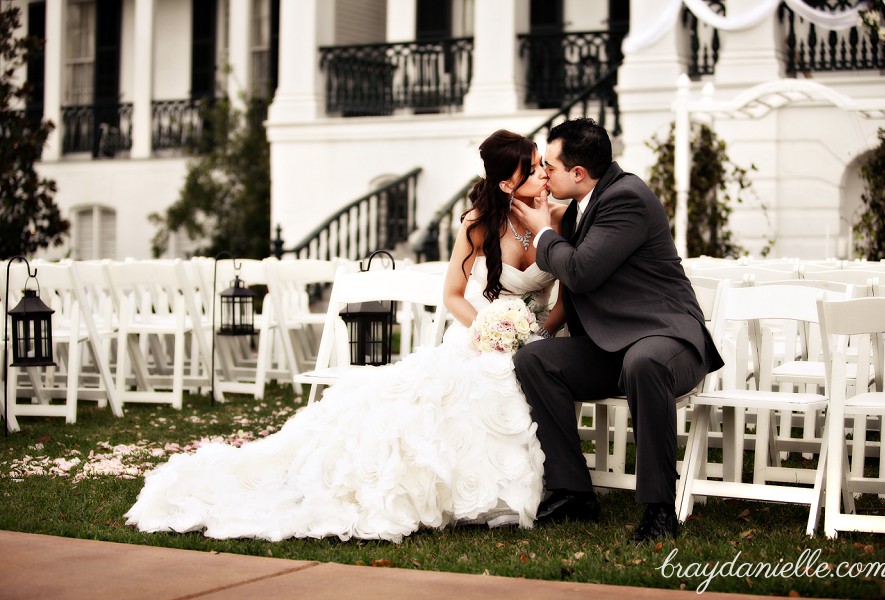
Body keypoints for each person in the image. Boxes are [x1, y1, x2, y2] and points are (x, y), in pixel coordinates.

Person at [124, 129, 567, 543]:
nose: (543, 173)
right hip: (483, 335)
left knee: (504, 383)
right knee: (457, 392)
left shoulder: (559, 218)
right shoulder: (479, 223)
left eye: (543, 166)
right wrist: (489, 330)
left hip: (536, 339)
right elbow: (453, 294)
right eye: (532, 169)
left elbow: (569, 290)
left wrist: (537, 333)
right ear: (508, 185)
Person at [510, 117, 724, 543]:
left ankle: (660, 511)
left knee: (644, 363)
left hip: (668, 337)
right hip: (611, 345)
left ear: (578, 173)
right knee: (535, 359)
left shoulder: (627, 198)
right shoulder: (576, 211)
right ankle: (572, 490)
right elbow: (572, 289)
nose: (544, 174)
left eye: (549, 166)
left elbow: (582, 271)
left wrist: (542, 233)